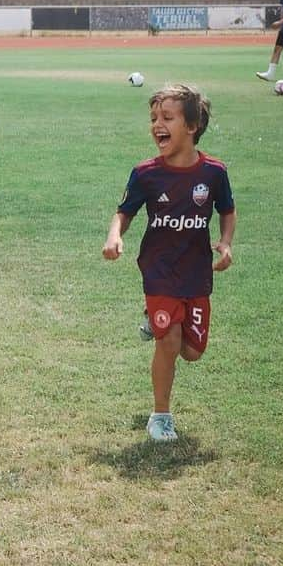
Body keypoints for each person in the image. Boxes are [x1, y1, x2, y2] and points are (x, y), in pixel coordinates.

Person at [102, 84, 236, 442]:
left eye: (167, 117)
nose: (157, 125)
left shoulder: (214, 173)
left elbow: (227, 210)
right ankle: (160, 416)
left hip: (196, 272)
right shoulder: (146, 173)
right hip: (158, 271)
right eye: (154, 119)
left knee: (191, 352)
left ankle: (153, 318)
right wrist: (115, 235)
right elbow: (124, 212)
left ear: (191, 126)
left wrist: (224, 243)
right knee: (170, 341)